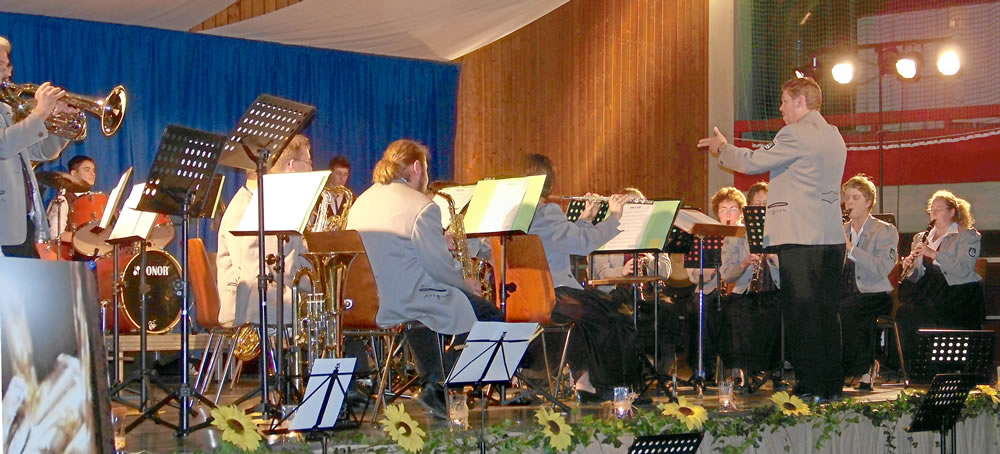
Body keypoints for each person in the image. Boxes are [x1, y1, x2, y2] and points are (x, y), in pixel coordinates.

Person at [699, 76, 847, 401]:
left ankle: (810, 386)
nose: (781, 108)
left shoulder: (795, 133)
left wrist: (722, 148)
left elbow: (753, 162)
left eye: (785, 101)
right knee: (826, 314)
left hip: (801, 237)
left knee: (802, 315)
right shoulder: (834, 135)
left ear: (800, 101)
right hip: (831, 238)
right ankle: (830, 385)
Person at [345, 139, 503, 419]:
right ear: (417, 167)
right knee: (488, 315)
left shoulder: (362, 201)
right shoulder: (422, 206)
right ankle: (440, 384)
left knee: (430, 313)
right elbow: (438, 266)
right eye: (427, 169)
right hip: (406, 299)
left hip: (367, 300)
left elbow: (395, 248)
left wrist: (438, 242)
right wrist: (465, 283)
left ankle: (433, 379)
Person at [522, 153, 639, 402]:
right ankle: (613, 387)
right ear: (548, 182)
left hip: (523, 296)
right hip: (553, 294)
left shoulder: (519, 214)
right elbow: (583, 244)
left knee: (587, 316)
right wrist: (614, 217)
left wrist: (585, 219)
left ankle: (585, 382)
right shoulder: (547, 212)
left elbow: (563, 241)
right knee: (616, 313)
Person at [216, 134, 313, 327]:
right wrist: (316, 287)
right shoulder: (250, 208)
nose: (311, 169)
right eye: (308, 162)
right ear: (291, 166)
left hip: (273, 301)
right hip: (253, 311)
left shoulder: (268, 204)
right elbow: (261, 273)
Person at [591, 187, 678, 376]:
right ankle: (630, 369)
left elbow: (666, 271)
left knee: (668, 311)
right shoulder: (606, 233)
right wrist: (622, 271)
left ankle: (662, 370)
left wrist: (650, 260)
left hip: (646, 294)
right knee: (619, 310)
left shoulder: (652, 234)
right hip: (617, 292)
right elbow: (600, 273)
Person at [0, 36, 74, 258]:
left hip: (20, 222)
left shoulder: (6, 109)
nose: (8, 73)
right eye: (1, 65)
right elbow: (4, 146)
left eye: (8, 66)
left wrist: (62, 124)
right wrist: (41, 112)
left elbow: (41, 151)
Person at [896, 190, 984, 371]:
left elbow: (964, 269)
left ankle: (942, 366)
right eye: (931, 209)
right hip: (930, 288)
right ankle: (915, 367)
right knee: (906, 313)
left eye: (938, 209)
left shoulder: (967, 236)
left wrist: (933, 254)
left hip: (958, 291)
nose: (933, 213)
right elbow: (917, 276)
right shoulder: (920, 237)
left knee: (931, 312)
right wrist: (909, 267)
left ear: (952, 212)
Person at [719, 182, 783, 390]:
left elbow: (792, 270)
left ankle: (777, 371)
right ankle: (738, 370)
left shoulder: (782, 233)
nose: (762, 208)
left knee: (781, 313)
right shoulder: (736, 235)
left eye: (766, 204)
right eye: (757, 204)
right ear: (749, 208)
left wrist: (773, 258)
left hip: (774, 291)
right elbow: (727, 274)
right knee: (735, 313)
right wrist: (744, 263)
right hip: (746, 291)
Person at [838, 174, 897, 392]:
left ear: (869, 202)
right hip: (844, 291)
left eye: (855, 198)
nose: (849, 202)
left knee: (848, 309)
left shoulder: (885, 231)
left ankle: (865, 367)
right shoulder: (841, 229)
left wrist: (851, 249)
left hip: (874, 294)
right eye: (847, 197)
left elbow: (882, 267)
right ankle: (831, 369)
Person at [683, 187, 745, 386]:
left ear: (741, 212)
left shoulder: (746, 235)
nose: (728, 214)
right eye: (723, 209)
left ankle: (737, 367)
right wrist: (707, 272)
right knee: (699, 308)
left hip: (738, 288)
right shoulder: (706, 235)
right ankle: (703, 369)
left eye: (733, 209)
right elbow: (694, 277)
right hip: (709, 288)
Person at [45, 155, 97, 242]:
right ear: (74, 173)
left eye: (93, 170)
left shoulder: (96, 200)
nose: (93, 174)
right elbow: (56, 234)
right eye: (87, 170)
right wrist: (87, 239)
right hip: (70, 250)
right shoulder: (63, 200)